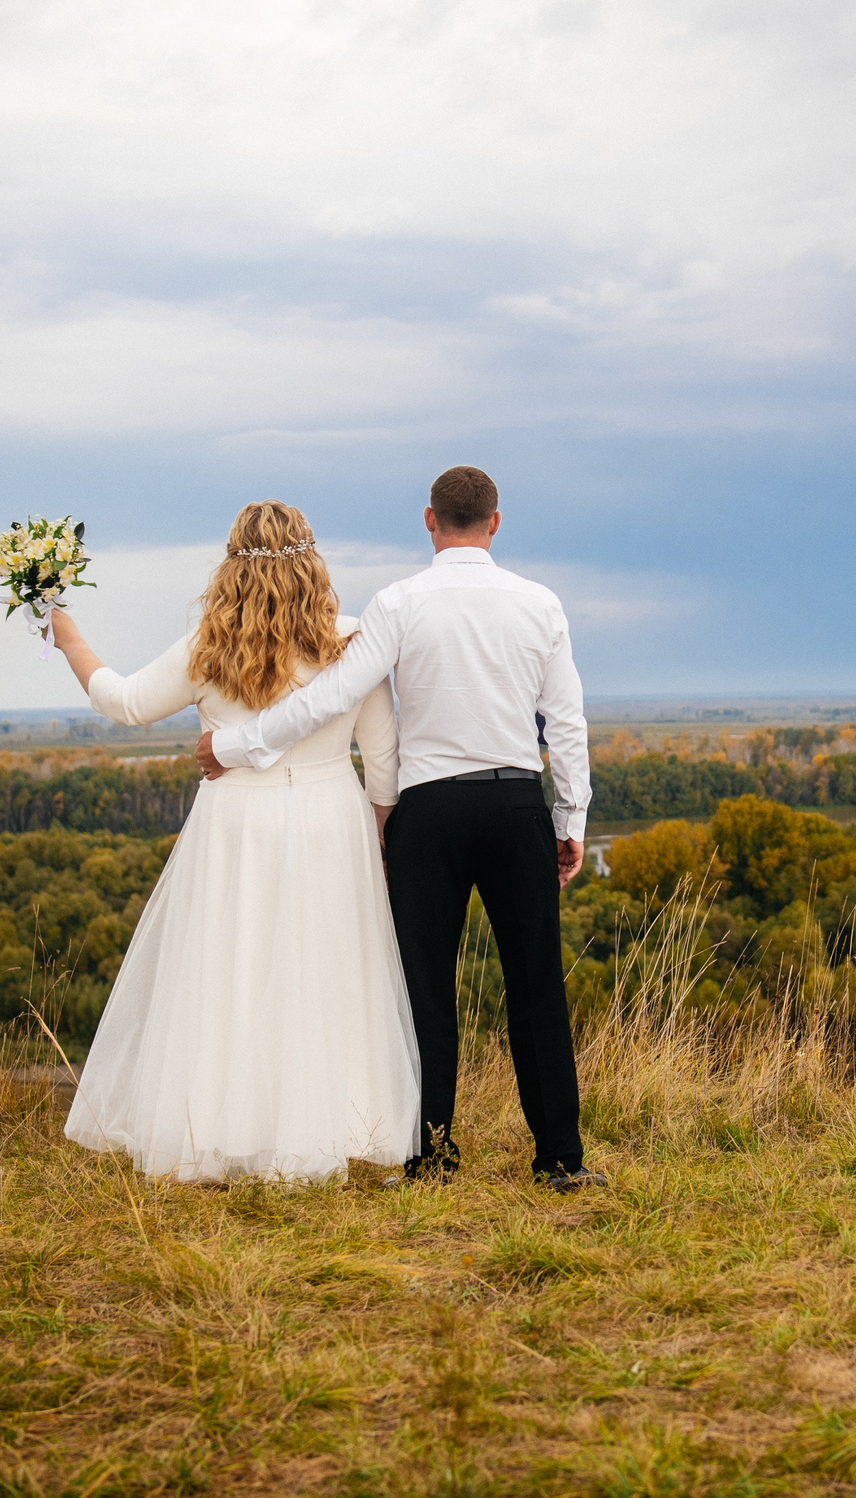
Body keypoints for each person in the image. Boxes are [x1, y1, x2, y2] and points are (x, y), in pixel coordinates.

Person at [195, 465, 603, 1191]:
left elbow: (330, 698)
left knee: (424, 989)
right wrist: (569, 818)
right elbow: (565, 724)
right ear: (496, 522)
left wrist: (235, 746)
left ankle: (432, 1154)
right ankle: (560, 1159)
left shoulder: (400, 603)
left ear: (429, 520)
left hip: (429, 815)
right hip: (515, 806)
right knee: (536, 984)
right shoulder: (540, 605)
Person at [45, 500, 419, 1182]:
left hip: (233, 824)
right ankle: (331, 1125)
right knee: (325, 970)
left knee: (234, 968)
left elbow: (125, 701)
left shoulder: (207, 647)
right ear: (313, 561)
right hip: (333, 818)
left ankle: (222, 1128)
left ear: (229, 562)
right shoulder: (354, 640)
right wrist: (382, 838)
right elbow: (385, 760)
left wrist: (69, 636)